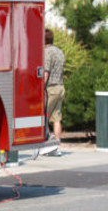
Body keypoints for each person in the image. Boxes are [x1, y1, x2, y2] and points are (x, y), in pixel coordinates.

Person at [43, 28, 66, 156]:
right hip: (60, 87)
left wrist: (40, 87)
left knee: (43, 117)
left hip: (50, 88)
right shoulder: (59, 52)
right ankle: (57, 146)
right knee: (56, 118)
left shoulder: (47, 52)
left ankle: (48, 146)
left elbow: (46, 72)